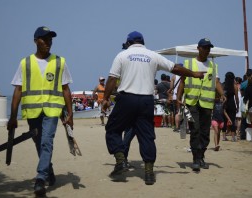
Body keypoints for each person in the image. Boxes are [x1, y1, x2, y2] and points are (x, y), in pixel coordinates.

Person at [101, 31, 204, 185]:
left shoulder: (122, 55)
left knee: (113, 130)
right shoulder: (152, 55)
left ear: (128, 43)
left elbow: (112, 78)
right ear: (142, 42)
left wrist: (106, 98)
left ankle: (120, 160)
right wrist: (194, 74)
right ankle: (149, 173)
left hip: (126, 99)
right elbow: (175, 68)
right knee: (146, 136)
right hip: (146, 101)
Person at [7, 26, 73, 196]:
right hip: (33, 112)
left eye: (50, 39)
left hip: (52, 110)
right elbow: (18, 91)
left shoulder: (60, 62)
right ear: (36, 41)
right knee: (39, 143)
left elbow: (66, 89)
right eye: (45, 39)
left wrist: (70, 113)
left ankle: (40, 179)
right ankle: (48, 170)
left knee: (46, 142)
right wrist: (13, 116)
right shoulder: (25, 63)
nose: (48, 43)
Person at [177, 38, 226, 172]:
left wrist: (222, 93)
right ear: (198, 48)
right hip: (191, 102)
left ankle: (201, 156)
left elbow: (216, 82)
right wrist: (178, 96)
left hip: (207, 103)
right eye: (204, 47)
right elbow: (182, 81)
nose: (207, 50)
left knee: (205, 132)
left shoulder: (213, 66)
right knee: (195, 130)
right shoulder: (189, 63)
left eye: (209, 48)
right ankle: (195, 159)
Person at [221, 72, 239, 142]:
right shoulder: (234, 86)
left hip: (225, 104)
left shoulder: (223, 85)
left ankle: (224, 136)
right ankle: (233, 137)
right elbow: (236, 98)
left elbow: (221, 96)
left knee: (224, 120)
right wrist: (237, 106)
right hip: (232, 104)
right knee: (232, 119)